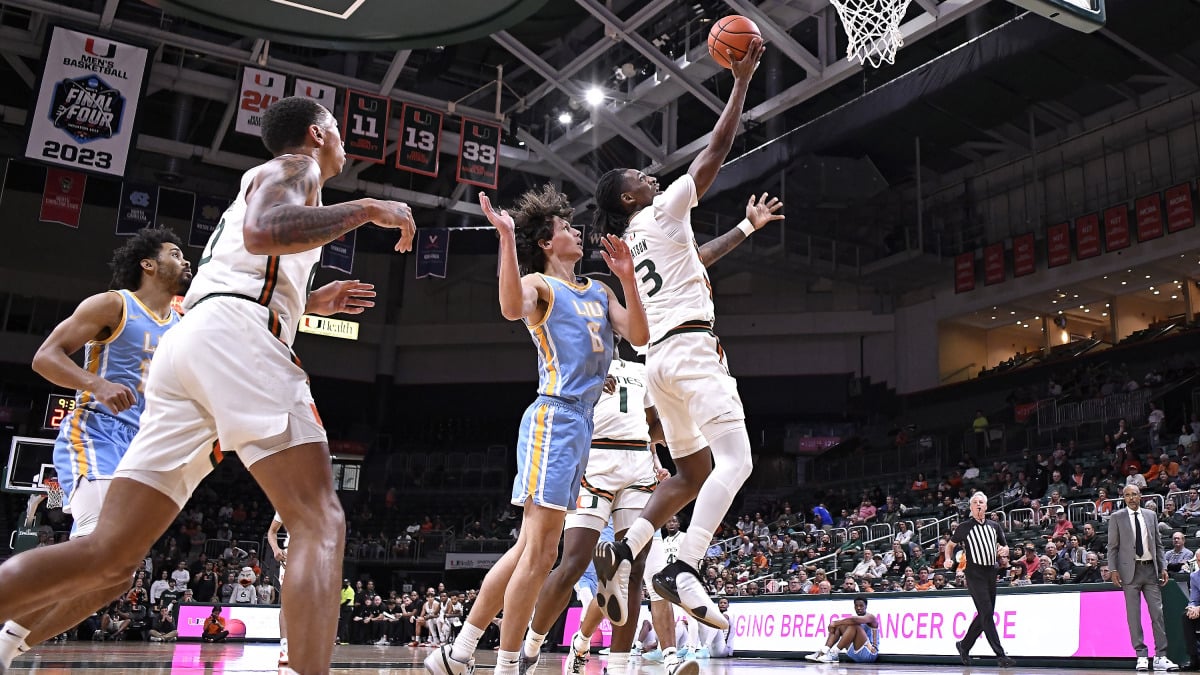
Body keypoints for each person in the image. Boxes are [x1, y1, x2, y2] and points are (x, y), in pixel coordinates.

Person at [0, 96, 417, 675]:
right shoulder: (295, 168)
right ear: (318, 133)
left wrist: (310, 301)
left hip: (190, 342)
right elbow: (264, 232)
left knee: (109, 558)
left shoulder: (273, 181)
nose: (344, 144)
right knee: (319, 519)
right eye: (340, 132)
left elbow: (247, 265)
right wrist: (370, 207)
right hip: (232, 336)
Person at [589, 36, 782, 637]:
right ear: (629, 198)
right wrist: (742, 82)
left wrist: (746, 230)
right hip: (694, 351)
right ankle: (685, 564)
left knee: (692, 474)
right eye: (641, 177)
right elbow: (714, 152)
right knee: (738, 461)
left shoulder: (653, 237)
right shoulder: (662, 211)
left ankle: (628, 547)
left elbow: (697, 257)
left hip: (658, 364)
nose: (652, 176)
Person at [425, 185, 648, 675]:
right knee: (543, 552)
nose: (576, 231)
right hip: (555, 416)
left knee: (529, 548)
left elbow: (638, 335)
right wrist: (505, 237)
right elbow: (509, 307)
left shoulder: (599, 289)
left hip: (581, 424)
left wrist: (628, 279)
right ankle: (507, 664)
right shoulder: (541, 287)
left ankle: (460, 652)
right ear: (547, 243)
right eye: (566, 227)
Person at [0, 228, 192, 668]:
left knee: (114, 578)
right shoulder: (113, 304)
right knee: (94, 552)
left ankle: (7, 647)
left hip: (144, 449)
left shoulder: (183, 323)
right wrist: (97, 383)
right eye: (175, 252)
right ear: (148, 263)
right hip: (98, 434)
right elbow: (45, 357)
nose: (185, 260)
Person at [520, 357, 680, 675]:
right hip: (594, 461)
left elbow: (651, 427)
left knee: (632, 574)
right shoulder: (578, 361)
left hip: (636, 466)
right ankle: (532, 645)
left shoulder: (642, 370)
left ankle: (620, 666)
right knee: (573, 564)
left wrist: (679, 418)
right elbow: (556, 410)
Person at [1110, 484, 1179, 672]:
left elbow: (1158, 545)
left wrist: (1163, 566)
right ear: (1123, 498)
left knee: (1157, 614)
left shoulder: (1150, 515)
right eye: (1127, 495)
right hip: (1129, 572)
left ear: (1140, 496)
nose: (1131, 498)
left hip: (1150, 570)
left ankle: (1161, 656)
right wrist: (1113, 570)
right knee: (1134, 616)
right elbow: (1112, 547)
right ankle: (1141, 655)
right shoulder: (1116, 517)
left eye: (1134, 494)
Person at [945, 492, 1015, 668]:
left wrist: (1005, 550)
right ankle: (1000, 655)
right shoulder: (964, 527)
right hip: (974, 573)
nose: (978, 505)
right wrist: (948, 558)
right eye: (975, 502)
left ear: (986, 506)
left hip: (991, 572)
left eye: (981, 502)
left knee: (986, 614)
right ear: (970, 507)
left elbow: (1005, 545)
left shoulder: (994, 526)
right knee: (986, 611)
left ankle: (964, 645)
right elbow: (950, 545)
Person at [805, 596, 878, 663]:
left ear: (866, 606)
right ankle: (823, 652)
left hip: (870, 654)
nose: (858, 608)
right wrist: (836, 624)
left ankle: (834, 653)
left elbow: (854, 620)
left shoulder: (870, 617)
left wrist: (834, 622)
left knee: (854, 625)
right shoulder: (855, 619)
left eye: (861, 606)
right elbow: (851, 620)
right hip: (855, 653)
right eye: (856, 606)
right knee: (840, 626)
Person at [267, 511, 289, 665]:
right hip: (291, 557)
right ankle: (285, 650)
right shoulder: (285, 503)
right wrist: (275, 549)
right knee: (287, 606)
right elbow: (272, 531)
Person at [1180, 563, 1200, 670]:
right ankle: (1194, 659)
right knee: (1187, 616)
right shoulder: (1195, 576)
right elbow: (1194, 599)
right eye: (1198, 560)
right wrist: (1191, 607)